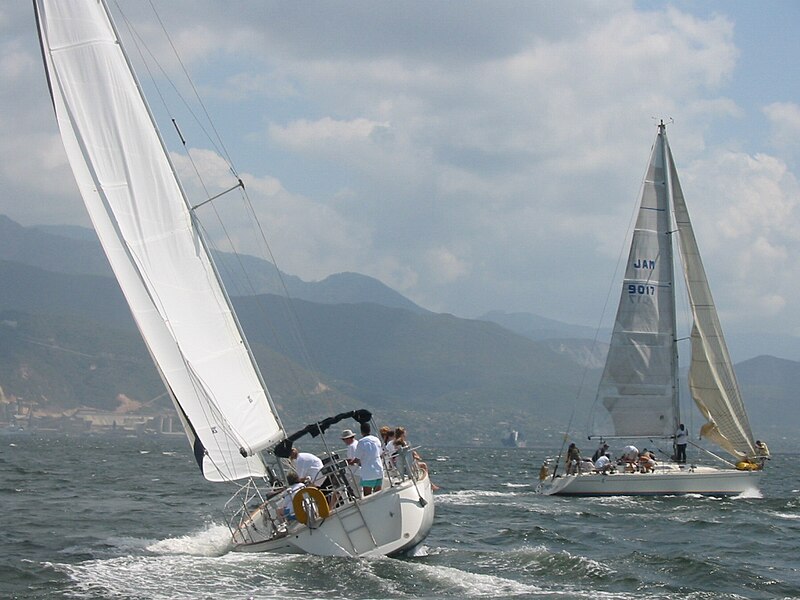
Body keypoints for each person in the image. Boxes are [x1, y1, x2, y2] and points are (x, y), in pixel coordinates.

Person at [355, 422, 384, 496]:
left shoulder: (361, 442)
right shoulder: (376, 439)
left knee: (367, 496)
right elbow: (380, 453)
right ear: (369, 430)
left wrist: (352, 462)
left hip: (368, 473)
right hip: (378, 470)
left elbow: (357, 458)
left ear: (361, 431)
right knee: (378, 495)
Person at [341, 429, 361, 498]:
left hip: (354, 472)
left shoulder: (351, 447)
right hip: (359, 471)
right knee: (360, 489)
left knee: (356, 490)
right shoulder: (357, 443)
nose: (344, 441)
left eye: (344, 439)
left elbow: (350, 461)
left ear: (348, 438)